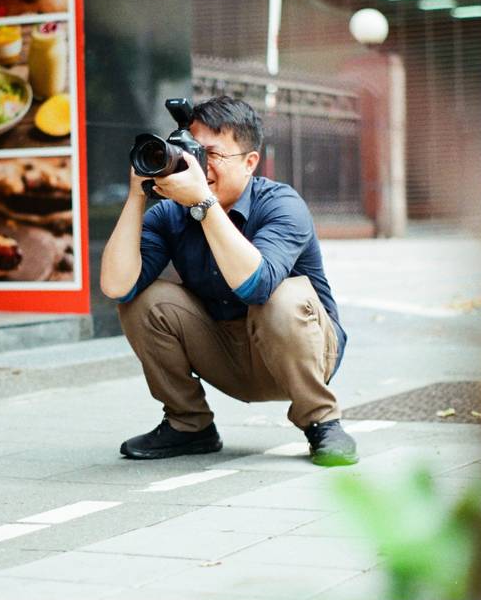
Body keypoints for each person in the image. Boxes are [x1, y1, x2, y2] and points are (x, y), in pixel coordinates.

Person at [99, 95, 356, 466]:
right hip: (227, 353)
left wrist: (204, 205)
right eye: (189, 153)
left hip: (304, 353)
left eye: (211, 155)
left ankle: (322, 421)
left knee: (282, 297)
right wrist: (137, 197)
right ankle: (189, 425)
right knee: (143, 299)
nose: (198, 166)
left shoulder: (281, 204)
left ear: (250, 162)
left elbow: (257, 285)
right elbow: (116, 286)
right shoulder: (172, 214)